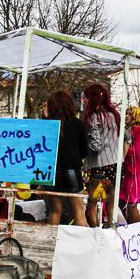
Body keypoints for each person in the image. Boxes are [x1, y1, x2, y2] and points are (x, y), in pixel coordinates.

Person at [46, 90, 88, 227]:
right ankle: (81, 244)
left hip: (51, 171)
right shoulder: (78, 124)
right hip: (71, 169)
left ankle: (51, 244)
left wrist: (45, 118)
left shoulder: (48, 125)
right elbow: (84, 150)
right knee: (78, 212)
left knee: (55, 212)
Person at [82, 84, 121, 227]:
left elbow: (95, 146)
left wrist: (82, 146)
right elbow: (126, 137)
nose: (84, 101)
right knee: (110, 203)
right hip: (115, 164)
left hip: (100, 165)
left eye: (86, 98)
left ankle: (94, 234)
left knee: (92, 204)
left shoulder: (94, 117)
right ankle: (110, 230)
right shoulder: (114, 115)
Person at [119, 106, 140, 224]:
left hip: (137, 170)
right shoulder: (127, 130)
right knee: (121, 201)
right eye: (126, 113)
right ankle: (131, 225)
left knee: (132, 203)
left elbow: (138, 150)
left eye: (130, 114)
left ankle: (135, 228)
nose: (126, 116)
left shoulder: (139, 130)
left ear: (135, 117)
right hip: (129, 170)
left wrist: (122, 151)